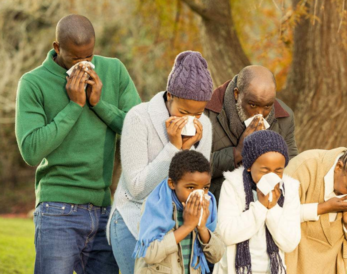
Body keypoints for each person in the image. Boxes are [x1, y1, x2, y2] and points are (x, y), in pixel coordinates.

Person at [15, 14, 141, 274]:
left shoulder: (114, 70)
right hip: (57, 211)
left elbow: (139, 131)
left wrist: (99, 105)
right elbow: (31, 151)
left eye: (89, 57)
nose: (84, 65)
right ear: (57, 48)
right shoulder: (33, 83)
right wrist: (74, 107)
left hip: (104, 210)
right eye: (76, 59)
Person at [109, 51, 214, 274]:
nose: (192, 120)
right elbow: (137, 189)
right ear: (169, 96)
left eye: (198, 113)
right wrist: (175, 149)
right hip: (133, 223)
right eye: (184, 112)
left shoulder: (204, 125)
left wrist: (190, 148)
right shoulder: (139, 118)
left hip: (178, 228)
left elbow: (196, 184)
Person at [284, 139, 347, 274]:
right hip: (292, 264)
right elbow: (277, 214)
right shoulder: (305, 166)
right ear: (338, 167)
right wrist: (323, 208)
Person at [204, 65, 298, 201]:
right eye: (253, 105)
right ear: (237, 94)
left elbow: (292, 167)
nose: (260, 114)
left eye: (267, 106)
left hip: (266, 205)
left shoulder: (284, 117)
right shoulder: (207, 112)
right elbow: (190, 168)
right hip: (218, 204)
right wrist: (237, 153)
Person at [214, 130, 301, 274]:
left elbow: (290, 242)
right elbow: (227, 234)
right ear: (249, 166)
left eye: (278, 171)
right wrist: (260, 207)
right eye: (265, 171)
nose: (272, 177)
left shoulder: (289, 189)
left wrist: (273, 209)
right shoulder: (232, 185)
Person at [133, 150, 225, 273]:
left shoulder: (207, 206)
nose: (199, 194)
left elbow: (217, 255)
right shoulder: (156, 205)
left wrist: (202, 228)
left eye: (205, 188)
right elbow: (149, 254)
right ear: (172, 184)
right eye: (191, 187)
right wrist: (187, 227)